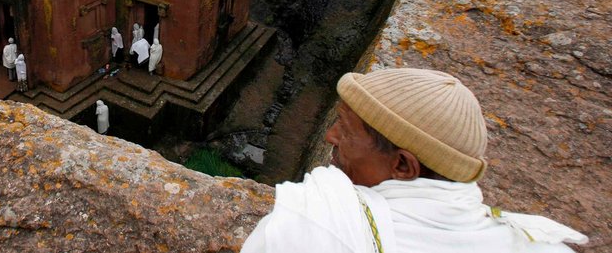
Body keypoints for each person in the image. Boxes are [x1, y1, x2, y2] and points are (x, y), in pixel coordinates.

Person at [240, 68, 587, 253]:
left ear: (403, 166)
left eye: (344, 129)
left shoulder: (308, 227)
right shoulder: (540, 244)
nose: (330, 137)